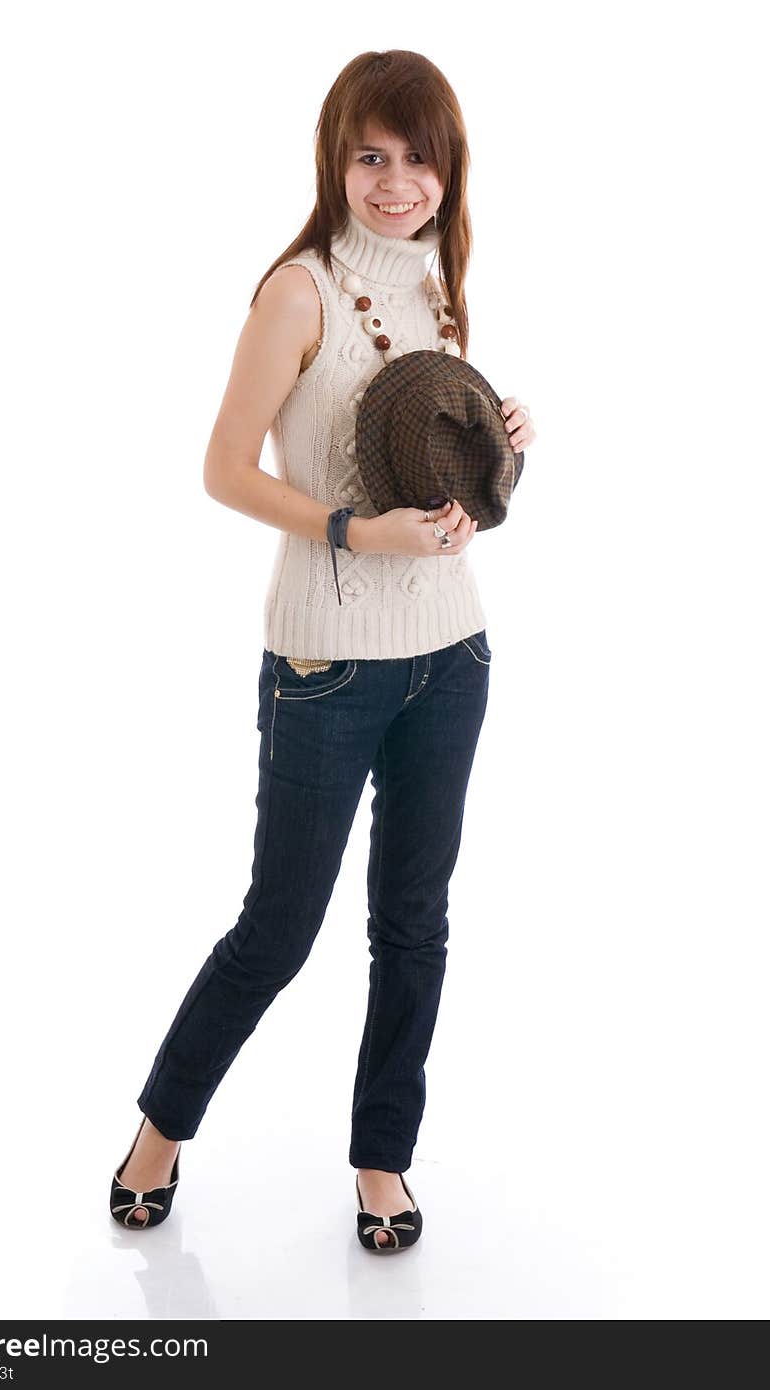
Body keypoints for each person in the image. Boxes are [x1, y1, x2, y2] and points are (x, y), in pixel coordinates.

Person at [109, 48, 536, 1250]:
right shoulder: (295, 291)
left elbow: (434, 469)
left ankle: (381, 1162)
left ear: (448, 172)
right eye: (371, 156)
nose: (395, 182)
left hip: (451, 653)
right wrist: (355, 527)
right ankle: (159, 1129)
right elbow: (222, 468)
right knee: (278, 927)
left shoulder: (444, 282)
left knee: (415, 922)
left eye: (418, 157)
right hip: (327, 665)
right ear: (334, 162)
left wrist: (499, 445)